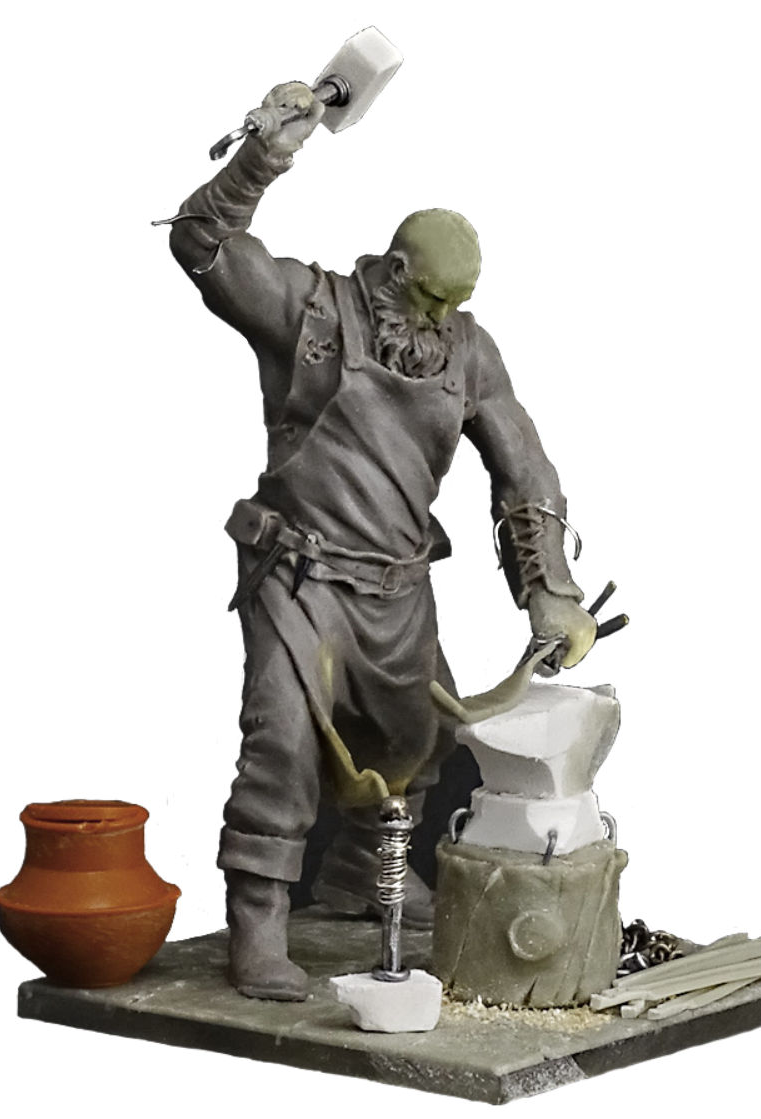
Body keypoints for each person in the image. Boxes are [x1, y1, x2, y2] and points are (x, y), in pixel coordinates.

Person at [166, 82, 598, 1001]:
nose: (441, 324)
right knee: (281, 739)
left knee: (418, 738)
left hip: (399, 586)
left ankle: (363, 875)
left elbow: (523, 466)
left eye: (457, 307)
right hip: (302, 575)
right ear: (397, 272)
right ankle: (259, 919)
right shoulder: (312, 313)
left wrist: (549, 585)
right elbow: (203, 246)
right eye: (432, 301)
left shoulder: (467, 348)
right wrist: (261, 157)